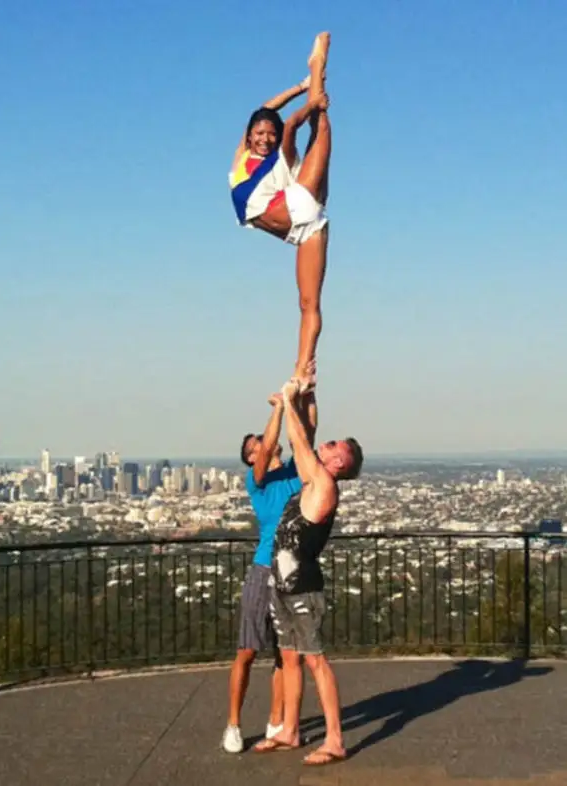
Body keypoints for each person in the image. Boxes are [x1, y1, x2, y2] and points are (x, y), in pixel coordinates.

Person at [253, 376, 363, 767]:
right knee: (290, 657)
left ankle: (335, 739)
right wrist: (305, 396)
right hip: (283, 586)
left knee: (315, 659)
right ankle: (290, 729)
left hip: (303, 590)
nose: (327, 444)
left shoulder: (324, 485)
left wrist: (287, 398)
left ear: (338, 464)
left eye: (334, 447)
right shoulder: (314, 479)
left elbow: (300, 443)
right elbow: (305, 436)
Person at [228, 32, 332, 393]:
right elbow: (267, 109)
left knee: (316, 122)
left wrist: (313, 99)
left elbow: (286, 124)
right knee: (306, 303)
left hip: (300, 204)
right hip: (303, 228)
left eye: (267, 134)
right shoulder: (243, 158)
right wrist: (302, 87)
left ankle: (319, 64)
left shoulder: (277, 156)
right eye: (258, 132)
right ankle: (304, 373)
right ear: (249, 134)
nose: (264, 138)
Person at [221, 372, 318, 754]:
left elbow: (307, 432)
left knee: (284, 653)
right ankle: (233, 723)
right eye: (254, 444)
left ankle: (276, 720)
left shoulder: (295, 474)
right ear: (250, 456)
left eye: (259, 440)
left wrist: (306, 394)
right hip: (263, 570)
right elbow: (268, 449)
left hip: (290, 572)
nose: (260, 444)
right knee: (247, 651)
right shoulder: (256, 480)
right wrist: (280, 407)